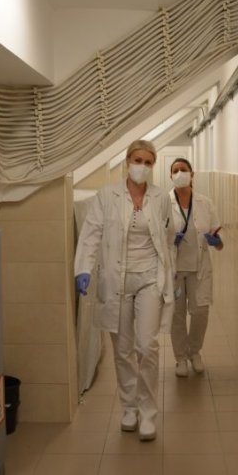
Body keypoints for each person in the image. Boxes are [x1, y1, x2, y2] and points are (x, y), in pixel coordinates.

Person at [73, 140, 174, 441]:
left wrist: (172, 275)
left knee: (147, 346)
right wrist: (83, 268)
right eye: (137, 160)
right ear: (127, 161)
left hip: (149, 278)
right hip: (116, 279)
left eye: (147, 162)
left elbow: (167, 237)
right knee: (123, 349)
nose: (142, 166)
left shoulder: (160, 197)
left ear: (153, 166)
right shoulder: (107, 195)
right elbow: (91, 233)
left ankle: (149, 412)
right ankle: (129, 408)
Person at [168, 158, 223, 377]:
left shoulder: (205, 203)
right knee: (177, 315)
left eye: (183, 170)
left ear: (192, 174)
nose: (179, 173)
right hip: (175, 271)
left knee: (200, 313)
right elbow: (156, 238)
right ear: (170, 176)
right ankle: (181, 358)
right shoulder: (164, 203)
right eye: (175, 171)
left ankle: (194, 352)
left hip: (199, 269)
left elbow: (219, 240)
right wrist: (170, 240)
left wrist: (216, 241)